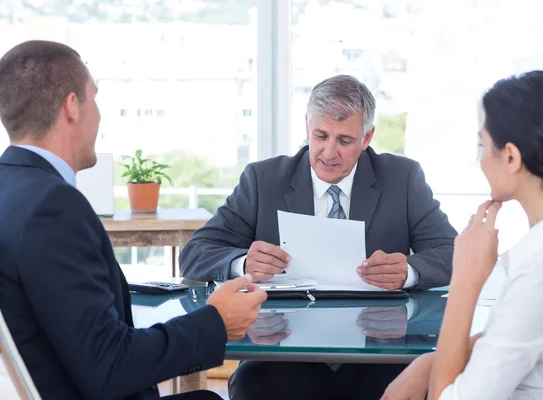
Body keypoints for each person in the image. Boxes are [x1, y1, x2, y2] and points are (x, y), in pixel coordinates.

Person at [0, 40, 267, 400]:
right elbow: (109, 367)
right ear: (72, 107)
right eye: (94, 97)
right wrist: (217, 320)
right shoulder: (53, 205)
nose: (99, 114)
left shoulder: (10, 188)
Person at [179, 74, 458, 399]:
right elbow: (195, 253)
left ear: (367, 137)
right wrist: (242, 263)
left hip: (379, 351)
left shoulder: (403, 178)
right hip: (283, 351)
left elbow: (452, 252)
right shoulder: (263, 179)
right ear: (307, 126)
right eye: (320, 135)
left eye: (344, 140)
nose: (329, 152)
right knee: (254, 381)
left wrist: (409, 271)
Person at [382, 70, 543, 400]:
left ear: (510, 156)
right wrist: (429, 361)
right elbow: (529, 331)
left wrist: (466, 280)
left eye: (483, 145)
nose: (480, 160)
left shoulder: (541, 269)